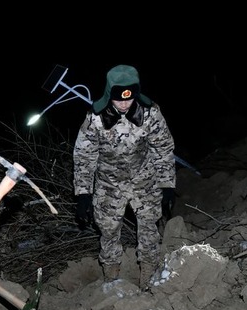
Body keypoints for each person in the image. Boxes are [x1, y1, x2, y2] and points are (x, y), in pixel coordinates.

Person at [73, 64, 176, 289]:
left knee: (149, 228)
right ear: (110, 94)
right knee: (108, 230)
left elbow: (163, 148)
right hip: (109, 184)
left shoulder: (150, 112)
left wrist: (167, 184)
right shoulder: (95, 118)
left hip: (144, 179)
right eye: (118, 99)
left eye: (129, 99)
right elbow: (84, 156)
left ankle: (149, 279)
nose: (123, 104)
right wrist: (83, 194)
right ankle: (112, 281)